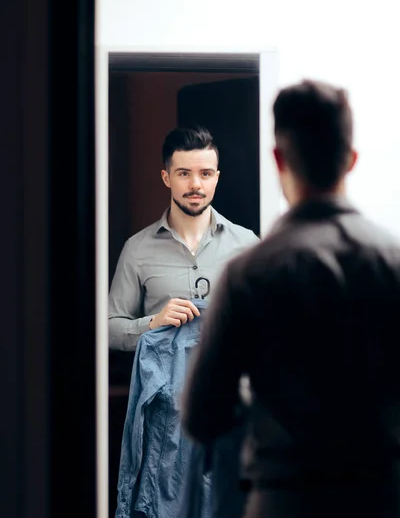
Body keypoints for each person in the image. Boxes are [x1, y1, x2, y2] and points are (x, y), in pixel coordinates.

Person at [181, 80, 400, 518]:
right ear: (351, 160)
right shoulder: (392, 263)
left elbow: (202, 414)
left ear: (278, 158)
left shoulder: (249, 273)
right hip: (380, 499)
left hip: (284, 501)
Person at [108, 125, 259, 351]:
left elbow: (275, 321)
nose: (195, 184)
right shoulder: (137, 249)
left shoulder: (248, 245)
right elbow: (109, 331)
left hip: (230, 384)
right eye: (184, 173)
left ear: (216, 178)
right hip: (164, 385)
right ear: (166, 177)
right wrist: (153, 323)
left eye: (205, 174)